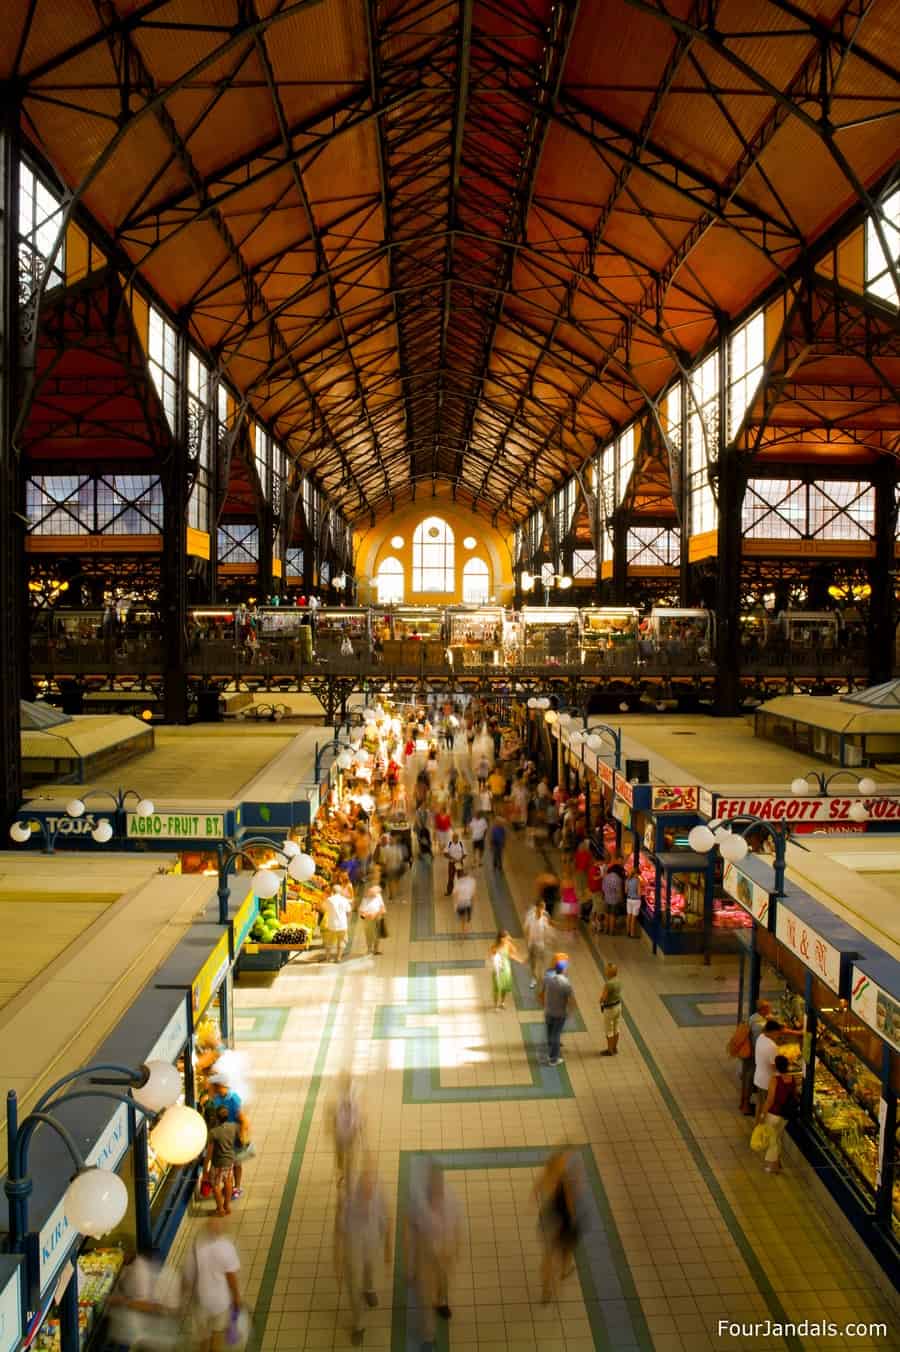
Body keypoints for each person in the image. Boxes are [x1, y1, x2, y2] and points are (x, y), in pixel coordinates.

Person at [334, 1156, 392, 1346]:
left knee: (369, 1269)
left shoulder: (378, 1191)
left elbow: (386, 1215)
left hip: (372, 1241)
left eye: (371, 1189)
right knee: (353, 1284)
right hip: (354, 1247)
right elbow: (339, 1230)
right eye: (365, 1190)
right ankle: (359, 1324)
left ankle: (369, 1289)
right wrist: (338, 1258)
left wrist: (387, 1247)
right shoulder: (348, 1200)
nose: (369, 1193)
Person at [406, 1163, 462, 1346]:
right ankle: (429, 1335)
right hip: (426, 1249)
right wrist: (411, 1264)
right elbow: (410, 1227)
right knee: (425, 1294)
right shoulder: (419, 1200)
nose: (437, 1191)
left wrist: (456, 1248)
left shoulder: (450, 1197)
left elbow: (457, 1225)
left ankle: (441, 1301)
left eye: (439, 1185)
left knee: (443, 1281)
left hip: (444, 1248)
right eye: (433, 1186)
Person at [180, 1215, 242, 1352]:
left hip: (200, 1300)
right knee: (217, 1335)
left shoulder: (196, 1245)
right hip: (220, 1302)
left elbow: (188, 1275)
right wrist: (237, 1296)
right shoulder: (226, 1247)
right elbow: (231, 1277)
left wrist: (182, 1297)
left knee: (203, 1337)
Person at [535, 1148, 582, 1303]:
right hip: (561, 1223)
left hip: (546, 1221)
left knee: (547, 1256)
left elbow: (535, 1193)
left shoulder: (544, 1177)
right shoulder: (564, 1180)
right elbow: (570, 1206)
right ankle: (564, 1270)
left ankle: (546, 1290)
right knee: (566, 1248)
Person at [205, 1076, 250, 1201]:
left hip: (233, 1134)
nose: (211, 1089)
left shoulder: (233, 1098)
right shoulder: (217, 1098)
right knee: (227, 1163)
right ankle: (228, 1185)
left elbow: (243, 1119)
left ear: (219, 1086)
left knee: (236, 1163)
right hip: (222, 1134)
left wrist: (241, 1136)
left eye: (213, 1086)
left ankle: (237, 1187)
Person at [760, 1055, 796, 1174]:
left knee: (772, 1141)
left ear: (776, 1066)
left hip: (773, 1114)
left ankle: (772, 1167)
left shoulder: (775, 1080)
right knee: (777, 1137)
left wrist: (762, 1114)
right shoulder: (792, 1079)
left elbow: (770, 1099)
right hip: (785, 1115)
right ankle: (778, 1162)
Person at [328, 1072, 365, 1185]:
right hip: (341, 1129)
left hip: (349, 1129)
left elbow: (357, 1113)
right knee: (341, 1153)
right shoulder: (337, 1093)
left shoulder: (354, 1093)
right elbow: (333, 1111)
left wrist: (359, 1129)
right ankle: (341, 1172)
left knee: (347, 1153)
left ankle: (346, 1173)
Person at [203, 1106, 239, 1216]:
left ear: (217, 1118)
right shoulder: (233, 1127)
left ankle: (220, 1209)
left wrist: (205, 1169)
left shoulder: (214, 1133)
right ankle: (227, 1207)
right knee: (228, 1183)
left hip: (217, 1164)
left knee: (216, 1185)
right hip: (229, 1162)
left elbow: (209, 1153)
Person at [540, 954, 574, 1067]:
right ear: (563, 970)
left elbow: (542, 990)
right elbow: (570, 999)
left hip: (548, 1011)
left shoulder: (548, 978)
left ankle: (550, 1049)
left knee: (550, 1032)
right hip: (560, 1013)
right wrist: (570, 1010)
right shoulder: (566, 983)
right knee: (556, 1035)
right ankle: (553, 1059)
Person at [741, 999, 772, 1115]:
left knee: (748, 1076)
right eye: (769, 1008)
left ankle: (745, 1103)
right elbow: (759, 1041)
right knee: (750, 1078)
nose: (771, 1010)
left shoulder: (754, 1017)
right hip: (753, 1055)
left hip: (750, 1053)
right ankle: (746, 1105)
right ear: (763, 1010)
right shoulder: (759, 1025)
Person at [754, 1019, 786, 1123]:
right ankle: (761, 1129)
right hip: (767, 1082)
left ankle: (756, 1126)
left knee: (759, 1104)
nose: (778, 1036)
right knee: (766, 1107)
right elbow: (774, 1067)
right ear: (772, 1031)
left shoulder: (761, 1037)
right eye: (777, 1033)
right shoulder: (772, 1047)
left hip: (758, 1077)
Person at [488, 929, 521, 1010]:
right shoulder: (494, 947)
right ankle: (495, 1005)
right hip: (498, 969)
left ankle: (502, 1003)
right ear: (501, 938)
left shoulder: (508, 944)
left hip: (506, 969)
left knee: (504, 987)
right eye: (505, 938)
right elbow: (491, 958)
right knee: (496, 987)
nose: (506, 940)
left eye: (507, 938)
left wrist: (511, 942)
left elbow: (513, 953)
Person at [524, 898, 553, 989]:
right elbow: (526, 929)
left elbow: (547, 929)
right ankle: (534, 978)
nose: (543, 910)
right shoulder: (530, 917)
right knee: (533, 963)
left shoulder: (545, 918)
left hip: (541, 944)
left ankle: (541, 978)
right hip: (532, 944)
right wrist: (528, 941)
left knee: (542, 962)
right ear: (537, 907)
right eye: (542, 908)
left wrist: (548, 939)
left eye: (544, 908)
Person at [324, 883, 354, 963]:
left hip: (331, 924)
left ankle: (328, 958)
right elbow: (348, 911)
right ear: (340, 891)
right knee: (342, 941)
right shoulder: (344, 900)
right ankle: (338, 958)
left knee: (329, 942)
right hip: (342, 925)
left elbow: (325, 909)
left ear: (332, 891)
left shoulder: (329, 900)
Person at [599, 963, 622, 1056]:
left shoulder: (608, 984)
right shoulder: (618, 981)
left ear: (609, 973)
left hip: (610, 1008)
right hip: (618, 1006)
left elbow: (603, 998)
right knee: (616, 1028)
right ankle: (615, 1048)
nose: (605, 971)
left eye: (606, 970)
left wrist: (600, 1000)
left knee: (609, 1030)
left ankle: (610, 1050)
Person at [359, 881, 386, 956]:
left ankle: (376, 949)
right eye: (372, 893)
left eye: (375, 893)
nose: (374, 895)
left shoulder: (378, 896)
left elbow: (383, 909)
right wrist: (367, 915)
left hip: (377, 918)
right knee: (369, 935)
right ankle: (369, 949)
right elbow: (361, 913)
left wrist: (376, 914)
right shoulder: (365, 900)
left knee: (377, 935)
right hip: (368, 920)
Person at [600, 861, 624, 935]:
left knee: (607, 915)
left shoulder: (606, 877)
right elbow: (619, 892)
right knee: (613, 916)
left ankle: (606, 930)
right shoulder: (618, 879)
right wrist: (622, 900)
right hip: (615, 900)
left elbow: (603, 888)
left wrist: (604, 896)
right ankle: (611, 931)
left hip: (606, 898)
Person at [453, 867, 476, 937]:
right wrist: (473, 902)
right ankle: (466, 930)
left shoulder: (458, 883)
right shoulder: (472, 881)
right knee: (467, 918)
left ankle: (463, 930)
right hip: (468, 902)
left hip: (461, 904)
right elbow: (473, 893)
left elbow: (455, 895)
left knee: (462, 918)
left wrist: (455, 905)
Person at [444, 830, 466, 895]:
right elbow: (445, 853)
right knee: (450, 877)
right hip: (452, 863)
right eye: (454, 837)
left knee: (460, 877)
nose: (455, 838)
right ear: (452, 837)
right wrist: (452, 858)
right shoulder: (449, 843)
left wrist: (460, 859)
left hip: (459, 863)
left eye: (456, 837)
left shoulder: (461, 843)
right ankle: (449, 891)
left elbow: (465, 854)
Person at [624, 867, 643, 938]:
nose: (638, 876)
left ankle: (627, 932)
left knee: (628, 916)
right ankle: (632, 934)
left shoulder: (627, 880)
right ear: (636, 874)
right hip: (636, 901)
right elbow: (639, 893)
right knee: (633, 918)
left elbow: (625, 891)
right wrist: (642, 888)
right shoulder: (637, 881)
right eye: (638, 875)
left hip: (629, 899)